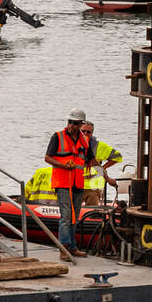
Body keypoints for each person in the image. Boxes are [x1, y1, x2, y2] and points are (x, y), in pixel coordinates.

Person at [44, 109, 101, 260]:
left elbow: (93, 161)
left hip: (77, 184)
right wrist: (63, 166)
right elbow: (48, 158)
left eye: (75, 123)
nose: (71, 125)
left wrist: (106, 178)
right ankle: (64, 249)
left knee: (74, 217)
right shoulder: (58, 137)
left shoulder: (84, 141)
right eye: (70, 122)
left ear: (81, 123)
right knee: (66, 217)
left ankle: (73, 247)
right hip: (63, 183)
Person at [80, 122, 123, 206]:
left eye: (88, 132)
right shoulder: (73, 144)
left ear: (92, 133)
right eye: (83, 131)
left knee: (92, 212)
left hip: (93, 187)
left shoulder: (100, 146)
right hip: (77, 185)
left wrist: (103, 168)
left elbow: (118, 157)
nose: (85, 133)